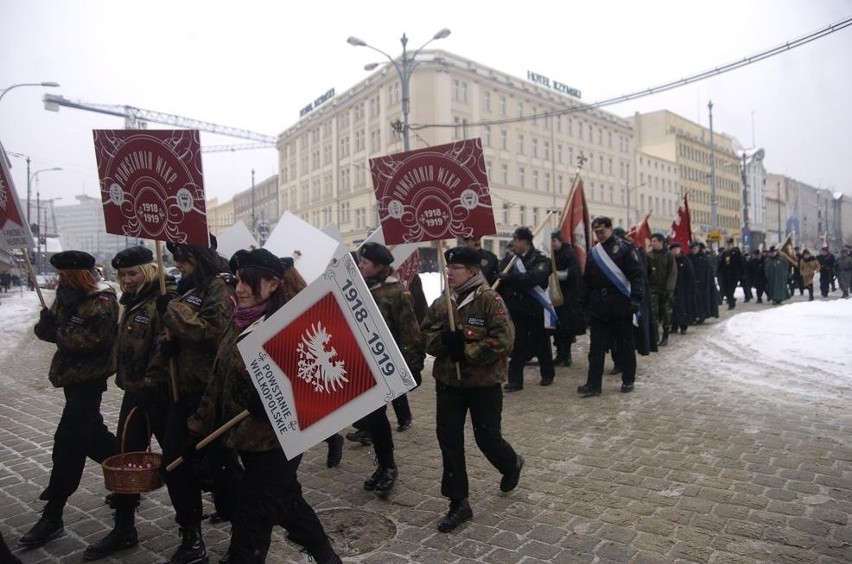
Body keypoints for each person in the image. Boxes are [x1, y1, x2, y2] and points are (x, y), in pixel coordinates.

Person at [187, 248, 341, 564]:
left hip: (279, 440)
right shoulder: (237, 320)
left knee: (253, 510)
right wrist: (200, 423)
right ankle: (325, 554)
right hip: (244, 437)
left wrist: (277, 399)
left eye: (248, 282)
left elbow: (317, 384)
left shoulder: (293, 326)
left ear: (273, 283)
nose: (239, 289)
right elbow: (218, 378)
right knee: (284, 499)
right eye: (237, 280)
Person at [20, 251, 120, 549]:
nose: (61, 280)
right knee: (93, 437)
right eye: (60, 275)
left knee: (69, 441)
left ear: (81, 275)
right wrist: (46, 323)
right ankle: (126, 470)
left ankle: (53, 514)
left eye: (67, 275)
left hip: (90, 380)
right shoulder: (64, 296)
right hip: (69, 378)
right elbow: (45, 332)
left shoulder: (102, 300)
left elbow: (94, 341)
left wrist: (59, 332)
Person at [421, 246, 523, 533]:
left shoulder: (490, 300)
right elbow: (425, 334)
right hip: (449, 384)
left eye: (457, 268)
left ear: (473, 271)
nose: (449, 272)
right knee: (449, 441)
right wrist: (444, 342)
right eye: (449, 267)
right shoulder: (443, 303)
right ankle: (458, 502)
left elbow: (504, 341)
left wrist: (465, 350)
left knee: (487, 438)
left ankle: (511, 463)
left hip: (484, 384)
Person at [84, 246, 176, 560]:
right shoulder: (133, 302)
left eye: (132, 273)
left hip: (161, 397)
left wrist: (150, 386)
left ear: (150, 270)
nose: (126, 280)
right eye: (122, 275)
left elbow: (163, 350)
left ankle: (193, 530)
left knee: (178, 463)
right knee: (126, 459)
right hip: (135, 394)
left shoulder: (162, 300)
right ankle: (124, 528)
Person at [159, 237, 234, 564]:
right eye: (174, 256)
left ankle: (243, 528)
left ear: (200, 255)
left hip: (212, 391)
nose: (177, 263)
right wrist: (170, 347)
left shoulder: (219, 286)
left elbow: (213, 330)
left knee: (220, 467)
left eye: (183, 256)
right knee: (174, 463)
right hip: (183, 390)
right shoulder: (184, 286)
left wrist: (173, 315)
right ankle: (191, 534)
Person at [356, 242, 424, 496]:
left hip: (385, 365)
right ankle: (384, 465)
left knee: (377, 417)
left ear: (380, 266)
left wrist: (413, 367)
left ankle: (388, 467)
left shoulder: (397, 293)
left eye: (365, 262)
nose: (360, 265)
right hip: (363, 365)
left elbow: (411, 332)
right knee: (373, 419)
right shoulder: (362, 287)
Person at [577, 217, 644, 396]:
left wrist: (635, 299)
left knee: (625, 345)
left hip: (620, 304)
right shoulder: (594, 252)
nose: (599, 235)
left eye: (602, 232)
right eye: (596, 232)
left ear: (610, 229)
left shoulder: (624, 248)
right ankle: (593, 384)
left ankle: (628, 380)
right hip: (599, 306)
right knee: (596, 348)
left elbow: (637, 276)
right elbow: (587, 280)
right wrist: (582, 303)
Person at [497, 226, 554, 390]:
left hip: (534, 307)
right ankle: (515, 380)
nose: (514, 243)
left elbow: (532, 278)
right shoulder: (512, 260)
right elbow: (501, 275)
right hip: (517, 307)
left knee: (541, 341)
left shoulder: (541, 260)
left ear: (524, 241)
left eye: (516, 240)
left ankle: (547, 373)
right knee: (518, 344)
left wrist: (510, 278)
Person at [550, 230, 585, 366]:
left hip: (568, 297)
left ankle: (566, 354)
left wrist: (557, 275)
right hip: (554, 296)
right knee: (557, 328)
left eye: (554, 241)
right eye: (551, 241)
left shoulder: (569, 254)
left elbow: (573, 273)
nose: (552, 244)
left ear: (560, 240)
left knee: (566, 328)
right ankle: (559, 353)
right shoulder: (551, 254)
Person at [646, 233, 677, 346]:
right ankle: (654, 337)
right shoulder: (649, 255)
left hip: (665, 289)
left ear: (660, 242)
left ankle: (665, 336)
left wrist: (670, 289)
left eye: (654, 241)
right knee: (653, 314)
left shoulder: (669, 255)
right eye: (651, 241)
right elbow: (646, 273)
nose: (652, 243)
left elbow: (672, 273)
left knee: (666, 314)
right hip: (653, 289)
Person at [669, 242, 696, 335]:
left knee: (682, 308)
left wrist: (689, 288)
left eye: (677, 248)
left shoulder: (685, 260)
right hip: (672, 287)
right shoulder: (670, 260)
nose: (675, 250)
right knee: (672, 308)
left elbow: (690, 275)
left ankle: (683, 326)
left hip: (683, 288)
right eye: (673, 249)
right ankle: (674, 326)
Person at [716, 238, 743, 310]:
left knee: (730, 289)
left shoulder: (736, 253)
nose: (727, 246)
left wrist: (741, 274)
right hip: (725, 274)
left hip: (733, 274)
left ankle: (731, 303)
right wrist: (718, 272)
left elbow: (740, 264)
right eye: (726, 244)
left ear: (732, 245)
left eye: (729, 245)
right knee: (726, 289)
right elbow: (720, 264)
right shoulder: (724, 254)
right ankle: (731, 301)